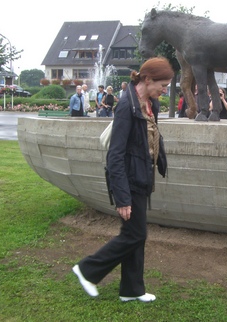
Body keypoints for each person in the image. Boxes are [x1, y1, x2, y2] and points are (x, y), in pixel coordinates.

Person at [72, 57, 174, 302]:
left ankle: (131, 290)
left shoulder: (151, 103)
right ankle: (88, 269)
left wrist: (160, 160)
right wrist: (122, 197)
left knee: (134, 234)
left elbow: (152, 134)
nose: (165, 90)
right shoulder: (127, 106)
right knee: (135, 235)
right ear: (148, 79)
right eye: (163, 84)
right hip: (129, 179)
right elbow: (115, 155)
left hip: (142, 175)